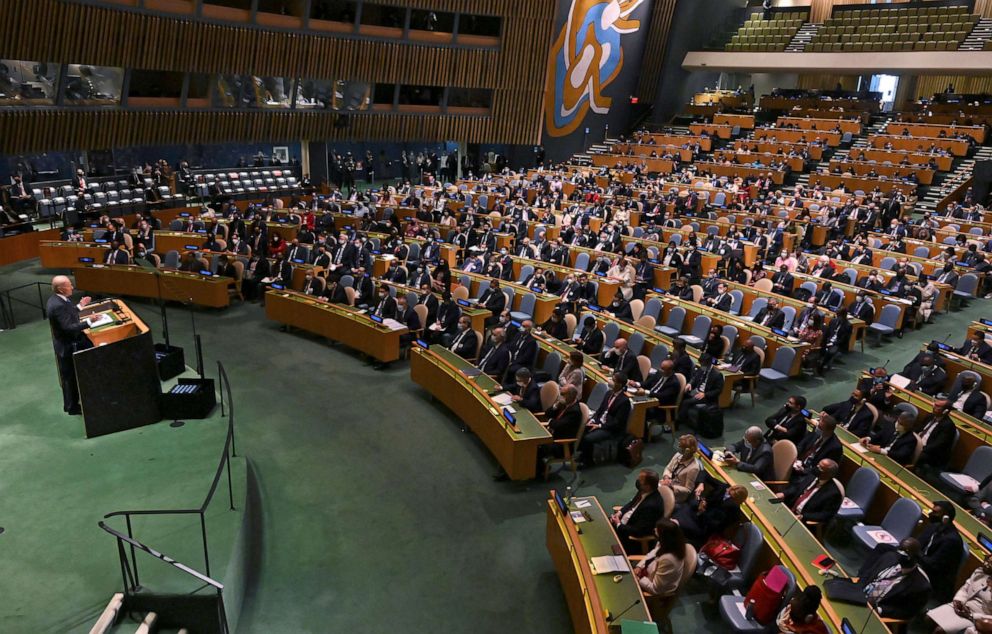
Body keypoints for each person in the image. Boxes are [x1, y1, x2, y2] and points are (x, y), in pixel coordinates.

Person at [824, 538, 931, 619]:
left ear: (915, 558)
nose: (900, 556)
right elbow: (867, 574)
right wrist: (859, 585)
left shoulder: (920, 586)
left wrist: (880, 610)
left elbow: (907, 612)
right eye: (900, 551)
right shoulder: (889, 557)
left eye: (905, 555)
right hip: (858, 594)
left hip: (873, 612)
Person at [47, 275, 93, 415]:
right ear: (61, 289)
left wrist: (80, 306)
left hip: (65, 343)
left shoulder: (56, 299)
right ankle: (72, 407)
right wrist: (90, 322)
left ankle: (71, 405)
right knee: (69, 378)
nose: (72, 287)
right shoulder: (58, 305)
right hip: (67, 346)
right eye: (69, 285)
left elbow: (67, 314)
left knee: (69, 377)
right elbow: (68, 326)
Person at [925, 554, 992, 634]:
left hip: (978, 617)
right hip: (963, 606)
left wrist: (971, 616)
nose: (986, 564)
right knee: (928, 619)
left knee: (940, 631)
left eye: (991, 563)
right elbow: (965, 588)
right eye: (987, 560)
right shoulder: (980, 572)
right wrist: (958, 600)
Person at [918, 501, 965, 603]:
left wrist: (914, 552)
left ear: (946, 518)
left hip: (933, 582)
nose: (930, 514)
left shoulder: (951, 540)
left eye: (935, 512)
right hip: (920, 566)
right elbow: (918, 544)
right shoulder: (933, 526)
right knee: (886, 550)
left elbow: (932, 565)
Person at [580, 371, 631, 464]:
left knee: (588, 438)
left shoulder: (624, 401)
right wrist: (592, 420)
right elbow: (600, 410)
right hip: (600, 423)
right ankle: (583, 454)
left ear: (619, 384)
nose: (610, 381)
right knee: (581, 429)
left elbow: (617, 423)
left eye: (613, 380)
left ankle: (588, 461)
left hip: (610, 429)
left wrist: (599, 426)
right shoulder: (608, 393)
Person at [610, 469, 666, 553]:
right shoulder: (644, 490)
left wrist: (618, 524)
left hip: (629, 539)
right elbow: (631, 503)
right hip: (622, 524)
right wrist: (619, 513)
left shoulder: (651, 506)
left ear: (648, 486)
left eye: (640, 480)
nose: (637, 481)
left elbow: (639, 531)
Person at [634, 519, 692, 598]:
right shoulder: (667, 544)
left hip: (650, 590)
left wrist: (638, 580)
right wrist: (639, 567)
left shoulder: (669, 560)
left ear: (664, 536)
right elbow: (651, 555)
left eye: (657, 530)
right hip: (645, 574)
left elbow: (655, 589)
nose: (654, 530)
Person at [777, 458, 842, 527]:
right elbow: (797, 487)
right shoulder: (812, 476)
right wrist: (784, 493)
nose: (816, 469)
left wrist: (804, 516)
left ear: (828, 474)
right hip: (788, 509)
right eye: (818, 465)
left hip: (802, 521)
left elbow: (824, 515)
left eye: (820, 468)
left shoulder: (833, 493)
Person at [536, 385, 583, 471]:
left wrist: (550, 421)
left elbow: (557, 425)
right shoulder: (563, 404)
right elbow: (547, 414)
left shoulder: (574, 411)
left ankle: (539, 471)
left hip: (562, 444)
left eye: (562, 394)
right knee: (533, 441)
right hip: (553, 436)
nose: (559, 396)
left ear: (571, 396)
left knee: (537, 446)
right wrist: (555, 406)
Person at [677, 353, 724, 429]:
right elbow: (694, 378)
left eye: (703, 364)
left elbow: (718, 390)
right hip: (696, 390)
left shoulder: (717, 375)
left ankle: (677, 422)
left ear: (709, 363)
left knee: (686, 402)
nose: (702, 366)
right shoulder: (701, 369)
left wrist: (705, 394)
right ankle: (682, 416)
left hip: (707, 396)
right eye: (701, 364)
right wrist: (690, 384)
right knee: (681, 394)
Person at [791, 414, 842, 481]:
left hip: (810, 473)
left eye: (820, 427)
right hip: (798, 462)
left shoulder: (835, 447)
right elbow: (801, 445)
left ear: (829, 431)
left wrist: (804, 470)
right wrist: (795, 457)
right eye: (818, 425)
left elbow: (824, 469)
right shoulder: (816, 432)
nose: (817, 428)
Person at [661, 435, 700, 503]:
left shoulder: (694, 468)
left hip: (676, 494)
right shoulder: (677, 455)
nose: (678, 447)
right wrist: (666, 477)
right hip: (667, 484)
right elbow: (668, 468)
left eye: (680, 446)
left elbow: (688, 489)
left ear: (687, 450)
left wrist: (672, 487)